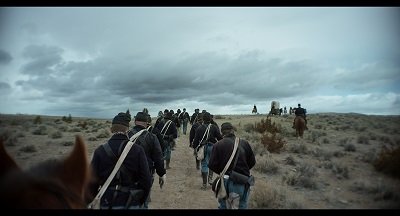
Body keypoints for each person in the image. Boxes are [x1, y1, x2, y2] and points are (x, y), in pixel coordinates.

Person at [88, 111, 152, 209]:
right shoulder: (137, 150)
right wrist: (140, 201)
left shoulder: (100, 151)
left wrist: (92, 200)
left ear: (111, 129)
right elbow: (146, 180)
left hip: (106, 202)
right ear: (128, 130)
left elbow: (91, 182)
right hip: (130, 202)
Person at [208, 122, 256, 209]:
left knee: (223, 206)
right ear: (233, 131)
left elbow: (211, 165)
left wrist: (223, 172)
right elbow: (252, 162)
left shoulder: (218, 145)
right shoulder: (244, 143)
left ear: (222, 133)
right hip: (241, 182)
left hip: (224, 182)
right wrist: (242, 171)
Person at [128, 112, 166, 209]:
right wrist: (161, 174)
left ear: (135, 121)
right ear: (147, 123)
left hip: (127, 174)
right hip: (146, 174)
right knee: (144, 203)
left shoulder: (126, 135)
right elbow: (158, 158)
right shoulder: (152, 137)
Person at [192, 112, 223, 190]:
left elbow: (195, 141)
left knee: (204, 165)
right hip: (213, 147)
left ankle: (204, 184)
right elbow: (220, 138)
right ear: (210, 118)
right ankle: (210, 179)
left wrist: (195, 148)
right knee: (211, 164)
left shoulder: (199, 128)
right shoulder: (214, 127)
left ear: (203, 118)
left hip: (203, 148)